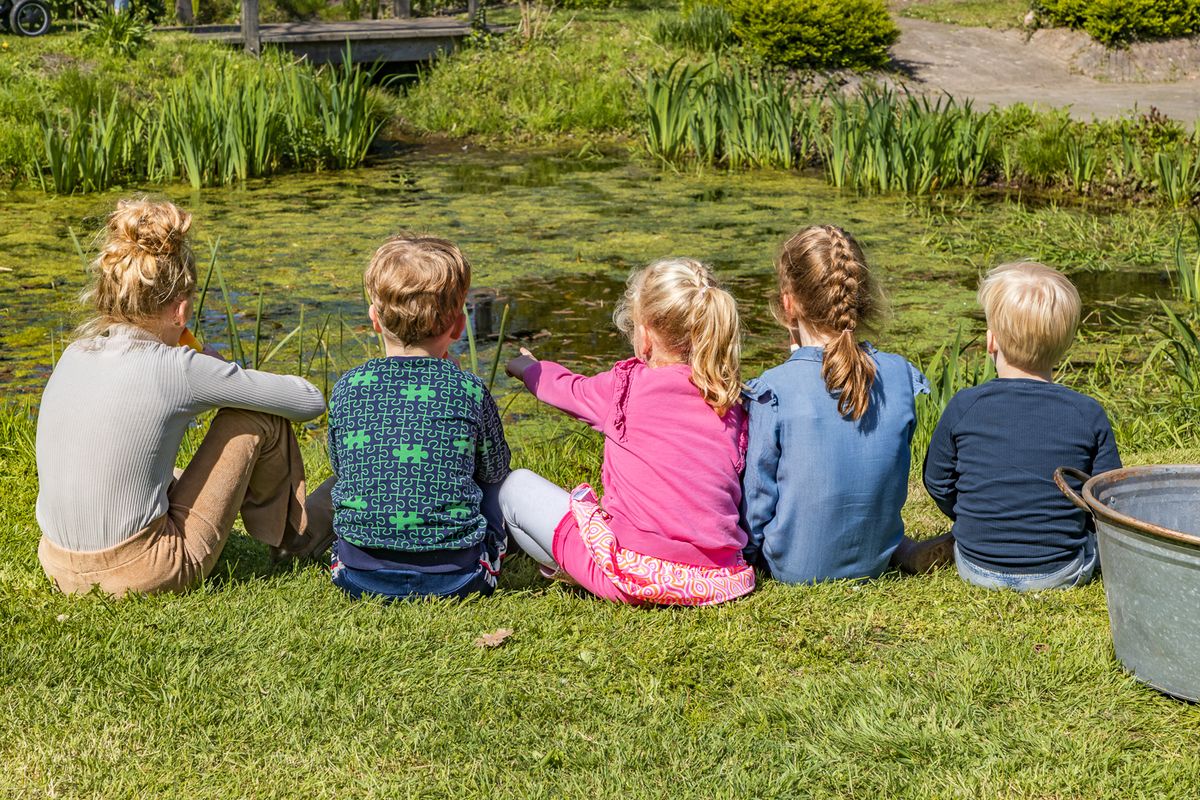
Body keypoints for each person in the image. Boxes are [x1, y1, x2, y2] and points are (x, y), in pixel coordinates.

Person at [35, 198, 329, 597]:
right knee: (258, 417)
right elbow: (309, 400)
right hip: (143, 570)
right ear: (182, 310)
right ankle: (295, 542)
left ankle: (283, 532)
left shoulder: (74, 354)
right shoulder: (180, 367)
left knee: (168, 474)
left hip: (55, 562)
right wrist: (225, 370)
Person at [501, 258, 754, 606]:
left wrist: (527, 367)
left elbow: (564, 389)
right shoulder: (730, 399)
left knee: (515, 488)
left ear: (645, 334)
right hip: (717, 578)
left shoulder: (626, 387)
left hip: (637, 573)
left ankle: (568, 569)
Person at [742, 225, 948, 584]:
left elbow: (757, 499)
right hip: (874, 557)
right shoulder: (899, 375)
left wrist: (747, 554)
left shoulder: (775, 388)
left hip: (793, 567)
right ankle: (902, 548)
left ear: (788, 303)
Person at [326, 235, 512, 601]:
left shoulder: (349, 386)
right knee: (498, 482)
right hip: (458, 577)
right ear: (459, 326)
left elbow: (339, 463)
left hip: (357, 575)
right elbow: (495, 469)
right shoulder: (468, 389)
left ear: (375, 320)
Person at [923, 262, 1121, 591]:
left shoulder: (964, 405)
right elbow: (1104, 500)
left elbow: (937, 481)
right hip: (1060, 571)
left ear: (991, 342)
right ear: (1065, 346)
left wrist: (973, 515)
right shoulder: (1087, 414)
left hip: (975, 565)